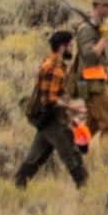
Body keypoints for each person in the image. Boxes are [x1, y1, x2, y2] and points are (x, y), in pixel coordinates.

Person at [14, 30, 88, 189]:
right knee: (72, 157)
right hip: (52, 119)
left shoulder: (54, 63)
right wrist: (72, 107)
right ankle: (86, 190)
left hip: (49, 118)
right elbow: (49, 99)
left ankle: (17, 186)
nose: (72, 48)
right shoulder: (53, 68)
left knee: (35, 155)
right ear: (62, 47)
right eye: (70, 45)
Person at [72, 0, 108, 136]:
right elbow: (89, 57)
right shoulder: (86, 29)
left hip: (99, 80)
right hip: (92, 84)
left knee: (93, 124)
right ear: (100, 5)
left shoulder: (100, 28)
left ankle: (73, 148)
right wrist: (103, 38)